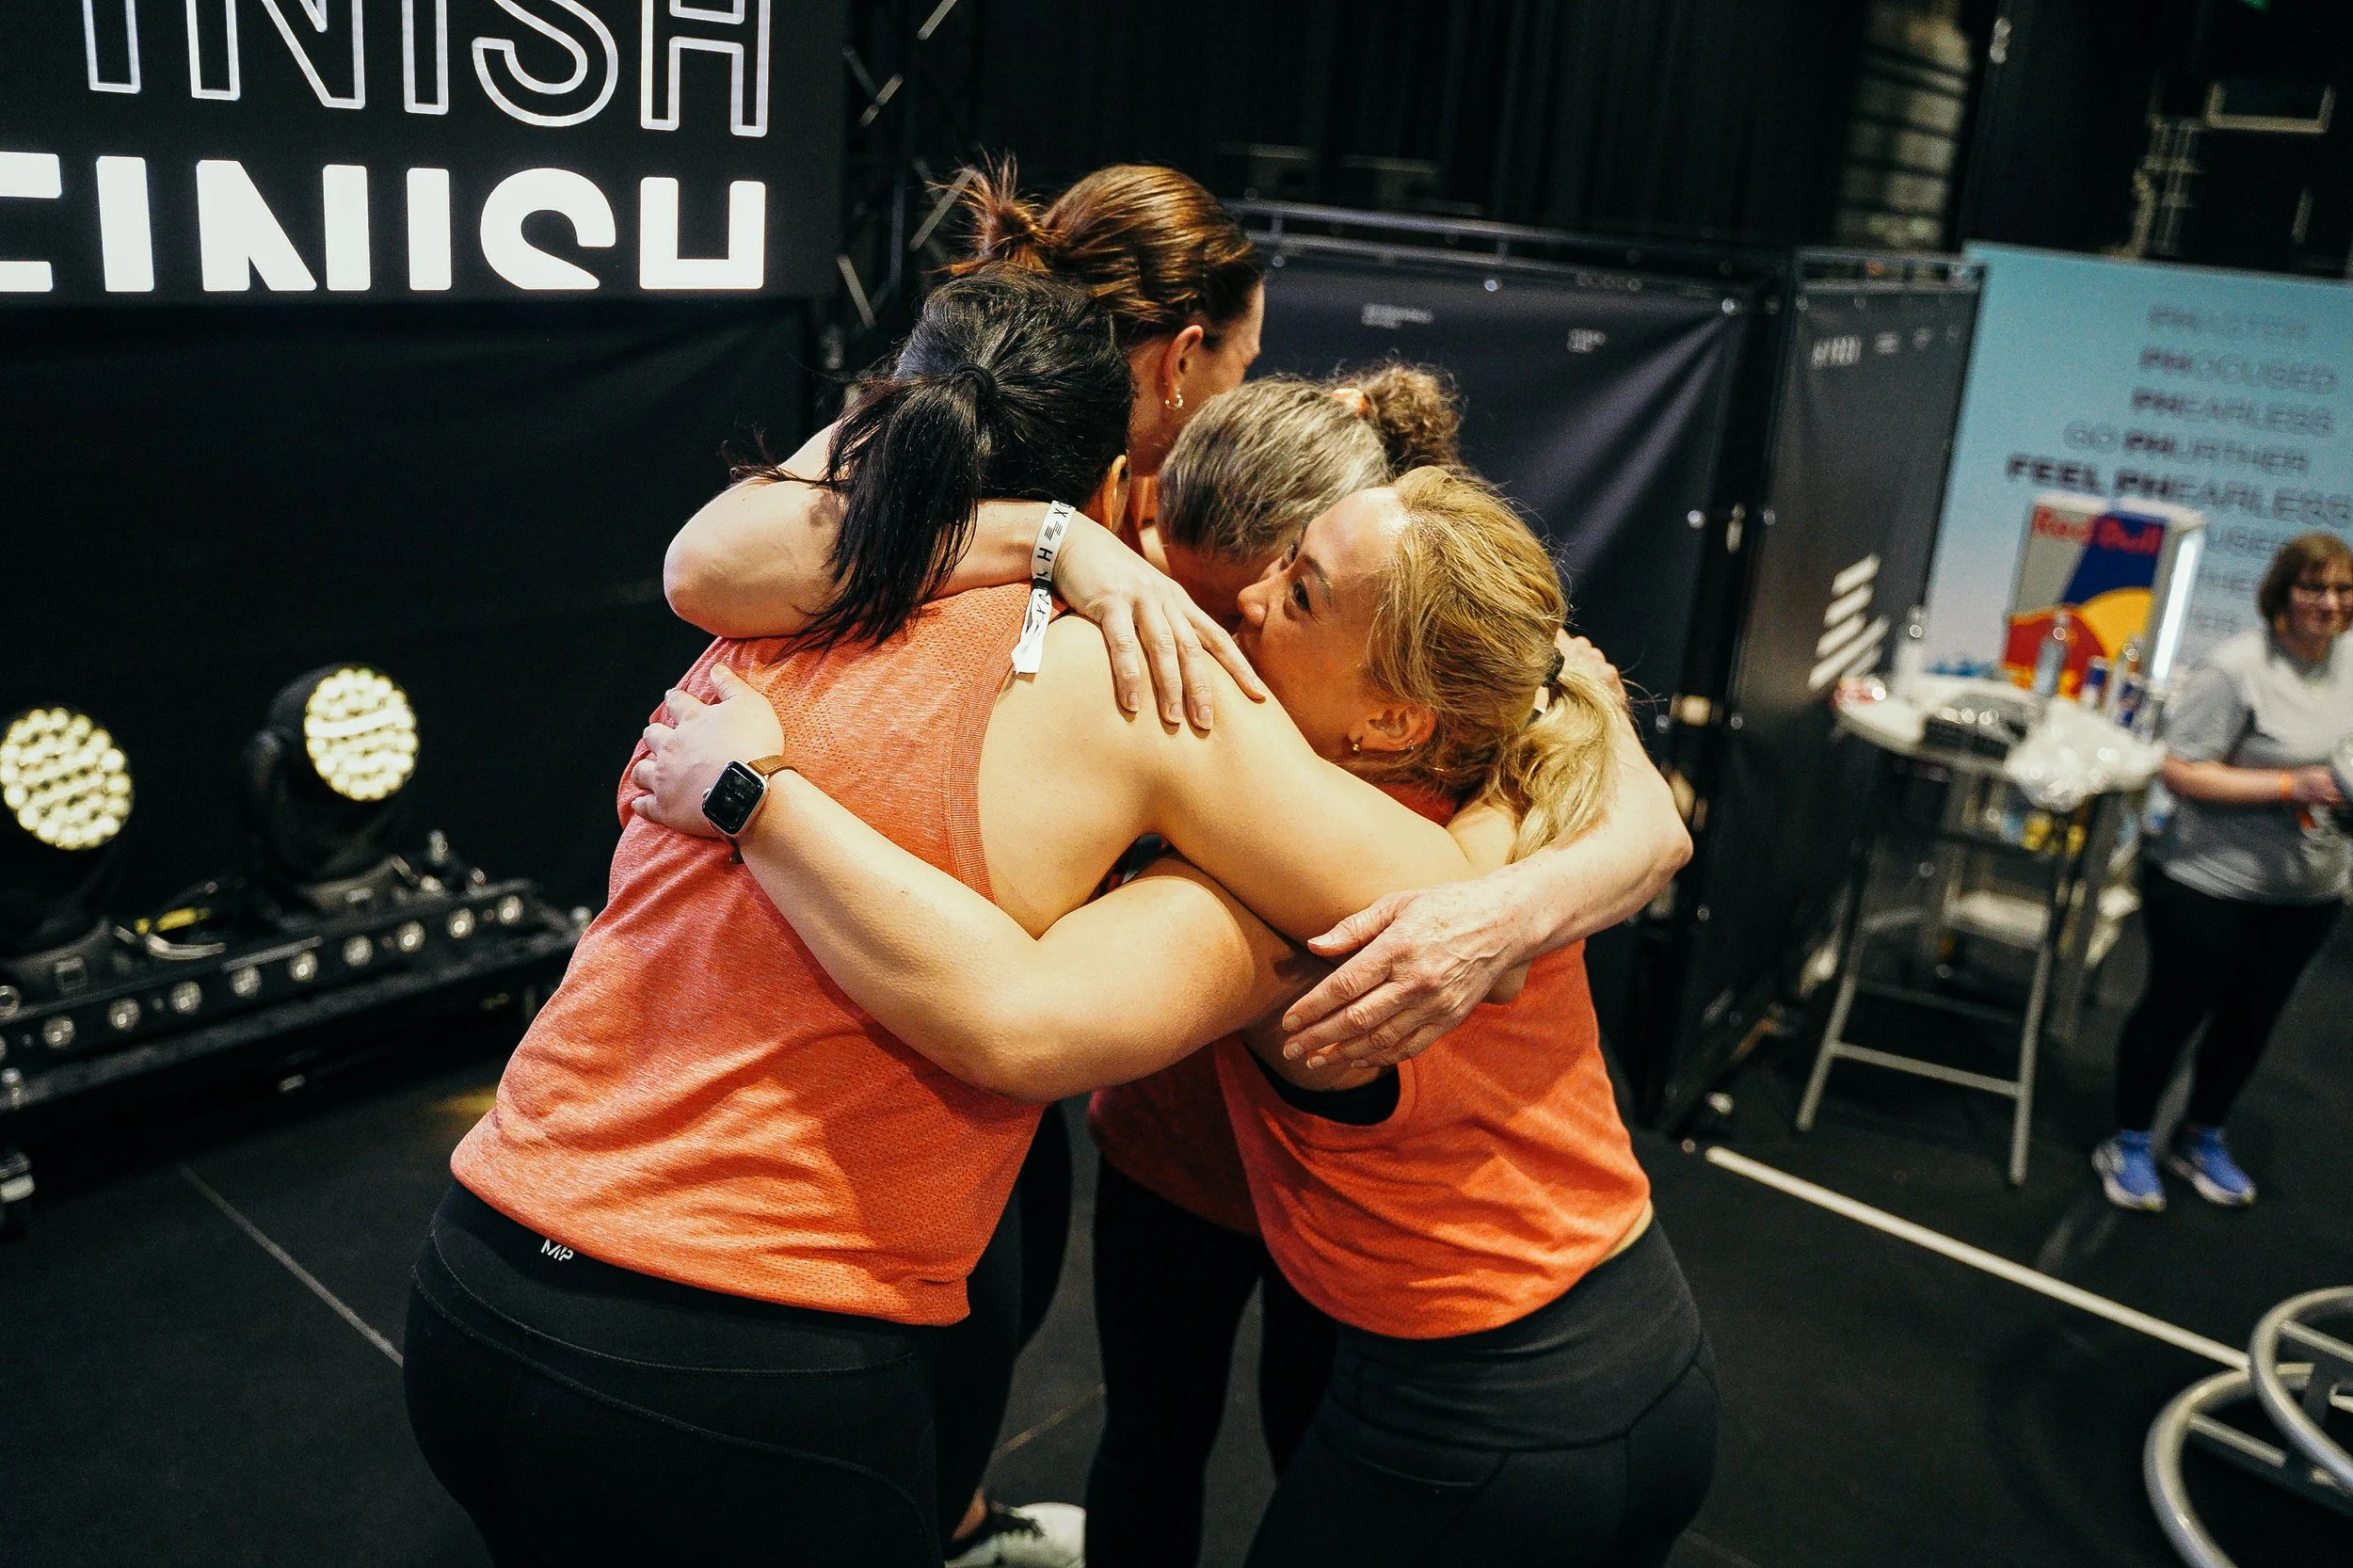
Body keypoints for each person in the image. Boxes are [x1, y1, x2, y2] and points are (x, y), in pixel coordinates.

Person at [406, 267, 1550, 1568]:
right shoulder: (1139, 672)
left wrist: (1050, 540)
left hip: (475, 1289)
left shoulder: (765, 605)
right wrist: (1561, 739)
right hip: (738, 1365)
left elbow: (723, 542)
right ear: (1120, 481)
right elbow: (1450, 900)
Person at [631, 469, 1719, 1566]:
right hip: (1645, 1345)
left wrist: (755, 798)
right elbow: (1592, 726)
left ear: (1393, 717)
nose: (1245, 597)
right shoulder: (1518, 778)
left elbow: (1013, 1023)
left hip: (1486, 1421)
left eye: (1299, 594)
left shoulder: (1317, 904)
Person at [664, 166, 1686, 1077]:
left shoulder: (1283, 521)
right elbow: (704, 565)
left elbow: (1597, 780)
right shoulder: (1057, 519)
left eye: (1291, 584)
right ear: (1183, 358)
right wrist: (1054, 539)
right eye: (1243, 363)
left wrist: (1507, 913)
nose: (1244, 608)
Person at [2094, 531, 2353, 1212]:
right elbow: (2177, 770)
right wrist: (2288, 786)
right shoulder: (2237, 668)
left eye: (2342, 590)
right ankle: (2128, 1138)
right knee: (2173, 1014)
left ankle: (2200, 1135)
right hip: (2206, 885)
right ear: (2282, 594)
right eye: (2313, 588)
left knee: (2250, 1021)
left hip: (2307, 892)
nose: (2328, 603)